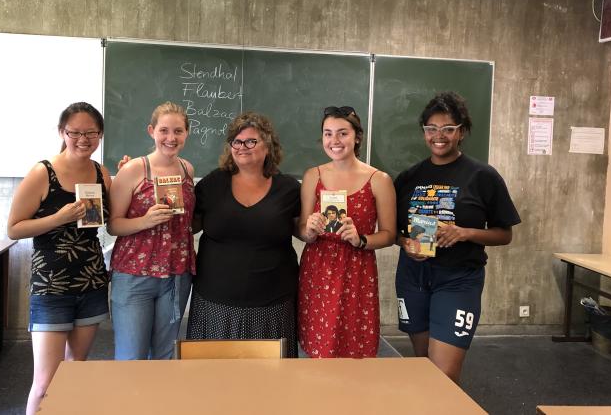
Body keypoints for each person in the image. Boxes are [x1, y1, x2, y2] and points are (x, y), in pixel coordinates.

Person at [394, 92, 520, 383]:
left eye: (448, 129)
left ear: (461, 131)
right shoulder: (408, 177)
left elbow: (505, 234)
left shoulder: (483, 176)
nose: (439, 136)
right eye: (431, 129)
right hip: (413, 277)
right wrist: (405, 243)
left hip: (458, 280)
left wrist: (463, 233)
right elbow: (394, 232)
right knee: (423, 368)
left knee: (444, 374)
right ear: (424, 132)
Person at [6, 102, 111, 415]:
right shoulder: (43, 172)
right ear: (62, 132)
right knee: (45, 381)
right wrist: (58, 217)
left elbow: (105, 219)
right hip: (51, 285)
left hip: (91, 280)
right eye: (74, 132)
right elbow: (13, 229)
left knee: (75, 369)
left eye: (90, 132)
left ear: (100, 134)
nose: (83, 138)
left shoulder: (101, 173)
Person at [186, 112, 301, 357]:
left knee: (269, 378)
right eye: (236, 142)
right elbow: (190, 224)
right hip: (215, 299)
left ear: (268, 146)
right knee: (215, 375)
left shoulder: (289, 188)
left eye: (251, 141)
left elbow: (301, 230)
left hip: (273, 301)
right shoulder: (212, 183)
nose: (242, 147)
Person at [298, 106, 396, 358]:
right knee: (318, 348)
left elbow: (389, 234)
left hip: (357, 270)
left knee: (356, 348)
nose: (334, 141)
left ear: (357, 137)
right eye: (328, 134)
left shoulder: (379, 179)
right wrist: (309, 229)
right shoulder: (312, 176)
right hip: (318, 269)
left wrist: (361, 239)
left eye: (342, 133)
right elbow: (302, 231)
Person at [108, 102, 196, 360]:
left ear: (186, 134)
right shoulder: (133, 169)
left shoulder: (187, 170)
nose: (171, 138)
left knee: (165, 354)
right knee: (131, 355)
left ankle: (160, 402)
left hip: (176, 274)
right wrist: (144, 221)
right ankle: (129, 402)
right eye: (164, 130)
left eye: (178, 131)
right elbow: (113, 224)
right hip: (135, 274)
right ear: (151, 131)